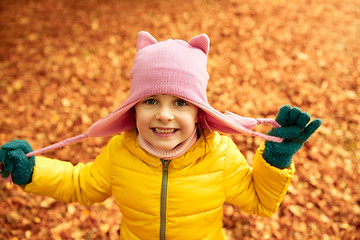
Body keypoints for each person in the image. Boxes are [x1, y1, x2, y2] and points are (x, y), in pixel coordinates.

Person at [0, 31, 321, 240]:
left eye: (180, 102)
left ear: (199, 112)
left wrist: (276, 160)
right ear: (133, 110)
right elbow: (81, 184)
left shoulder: (218, 154)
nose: (164, 114)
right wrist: (32, 171)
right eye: (151, 101)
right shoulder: (121, 152)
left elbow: (261, 203)